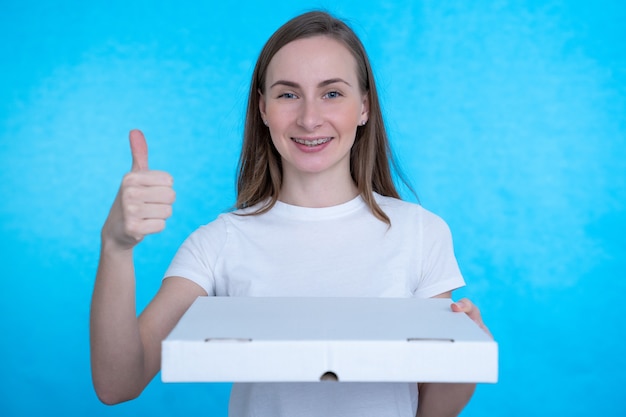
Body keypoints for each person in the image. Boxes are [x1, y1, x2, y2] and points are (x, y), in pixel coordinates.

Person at [90, 10, 492, 417]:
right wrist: (116, 247)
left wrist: (464, 359)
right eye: (288, 94)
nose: (310, 118)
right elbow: (118, 382)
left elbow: (429, 409)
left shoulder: (420, 233)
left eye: (332, 93)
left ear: (364, 107)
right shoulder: (220, 242)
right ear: (263, 108)